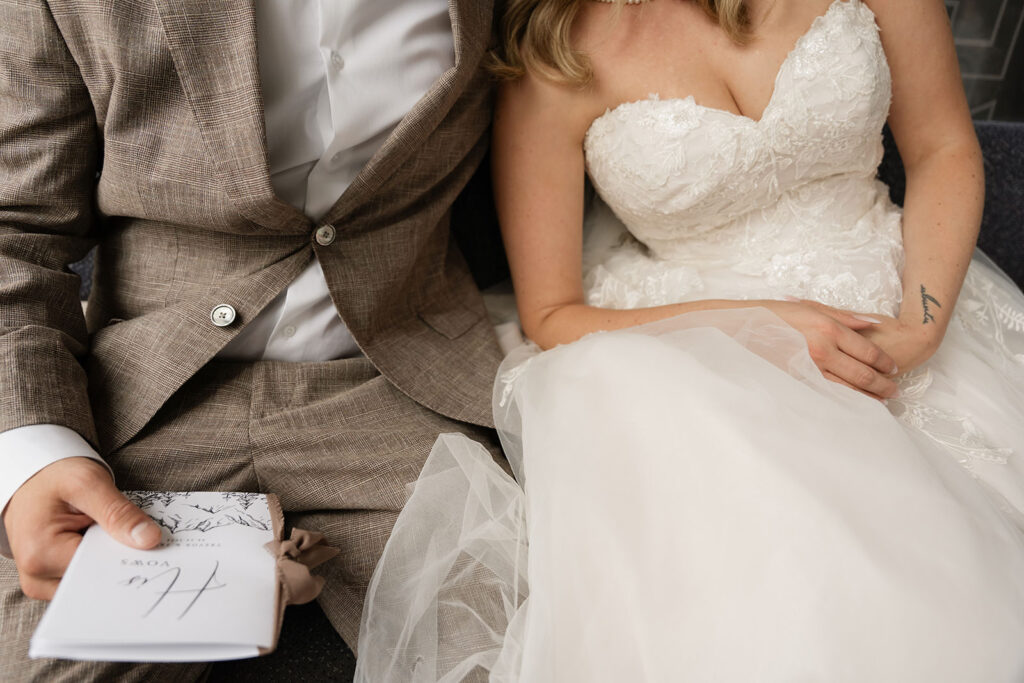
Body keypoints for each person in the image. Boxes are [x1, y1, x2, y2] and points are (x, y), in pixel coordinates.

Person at [354, 0, 1024, 680]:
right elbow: (553, 313)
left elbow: (942, 146)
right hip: (691, 350)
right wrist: (757, 326)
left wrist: (920, 326)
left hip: (902, 287)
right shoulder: (554, 50)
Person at [0, 0, 508, 679]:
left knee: (533, 647)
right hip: (139, 400)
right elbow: (15, 231)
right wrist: (34, 448)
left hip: (398, 383)